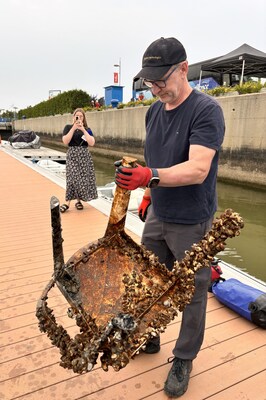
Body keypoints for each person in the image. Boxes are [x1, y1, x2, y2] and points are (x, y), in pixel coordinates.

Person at [115, 37, 225, 398]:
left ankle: (184, 358)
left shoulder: (206, 111)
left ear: (183, 68)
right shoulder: (152, 112)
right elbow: (157, 157)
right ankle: (150, 335)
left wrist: (149, 177)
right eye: (150, 82)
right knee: (149, 281)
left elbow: (196, 169)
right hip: (158, 215)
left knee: (192, 292)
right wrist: (147, 191)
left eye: (161, 79)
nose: (156, 88)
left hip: (192, 218)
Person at [60, 108, 98, 213]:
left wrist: (83, 130)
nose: (79, 118)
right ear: (73, 117)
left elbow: (91, 143)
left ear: (84, 118)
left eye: (81, 116)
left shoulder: (87, 129)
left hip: (84, 156)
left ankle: (78, 201)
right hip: (72, 155)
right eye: (77, 116)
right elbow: (65, 141)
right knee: (72, 178)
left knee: (82, 179)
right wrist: (73, 128)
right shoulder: (68, 127)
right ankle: (67, 203)